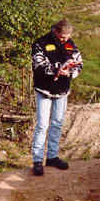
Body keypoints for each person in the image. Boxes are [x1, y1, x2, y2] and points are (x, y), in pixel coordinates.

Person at [31, 19, 82, 176]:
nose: (65, 40)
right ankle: (37, 161)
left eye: (67, 37)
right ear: (55, 31)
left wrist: (70, 72)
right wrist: (56, 69)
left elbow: (79, 64)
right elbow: (38, 65)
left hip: (62, 91)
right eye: (62, 37)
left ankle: (52, 157)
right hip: (44, 90)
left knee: (57, 124)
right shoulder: (40, 43)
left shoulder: (71, 45)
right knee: (42, 125)